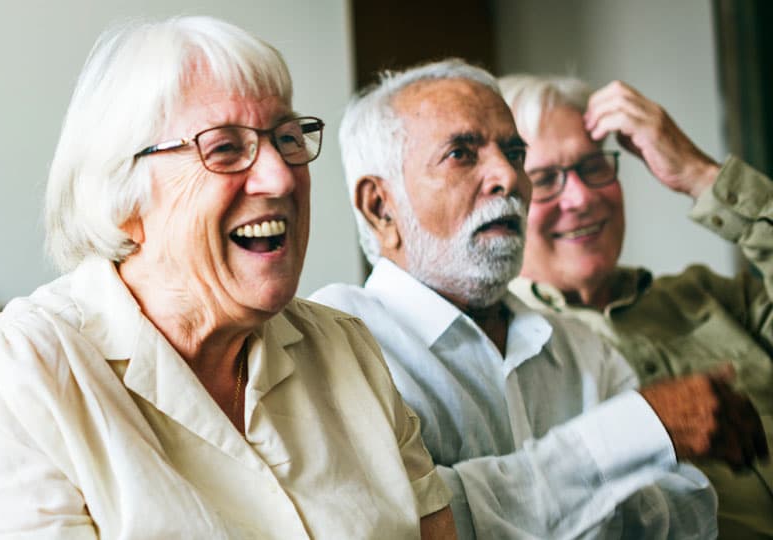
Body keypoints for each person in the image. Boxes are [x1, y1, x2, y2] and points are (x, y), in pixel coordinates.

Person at [0, 16, 456, 539]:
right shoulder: (23, 372)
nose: (279, 176)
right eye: (224, 147)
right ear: (122, 196)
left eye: (288, 138)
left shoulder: (347, 349)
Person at [310, 58, 769, 539]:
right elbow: (398, 525)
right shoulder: (340, 339)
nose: (508, 177)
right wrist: (632, 434)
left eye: (513, 153)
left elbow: (687, 515)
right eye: (462, 154)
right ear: (381, 207)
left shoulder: (580, 349)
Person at [500, 75, 773, 538]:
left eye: (593, 167)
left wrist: (700, 174)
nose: (582, 198)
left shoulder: (709, 296)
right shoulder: (505, 354)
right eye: (544, 180)